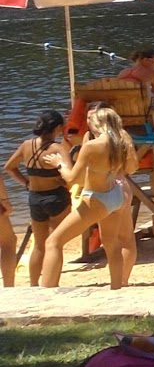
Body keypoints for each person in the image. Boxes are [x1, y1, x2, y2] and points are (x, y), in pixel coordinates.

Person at [40, 106, 140, 288]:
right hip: (116, 194)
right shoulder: (121, 141)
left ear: (96, 123)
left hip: (97, 198)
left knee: (53, 242)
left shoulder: (92, 146)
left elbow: (72, 178)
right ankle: (117, 288)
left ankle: (46, 291)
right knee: (112, 245)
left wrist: (60, 164)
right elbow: (133, 167)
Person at [7, 110, 72, 286]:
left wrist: (26, 183)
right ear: (58, 128)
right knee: (54, 244)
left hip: (35, 198)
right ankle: (52, 283)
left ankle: (34, 284)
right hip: (56, 197)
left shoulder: (26, 145)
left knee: (38, 245)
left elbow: (9, 167)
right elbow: (70, 176)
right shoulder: (58, 149)